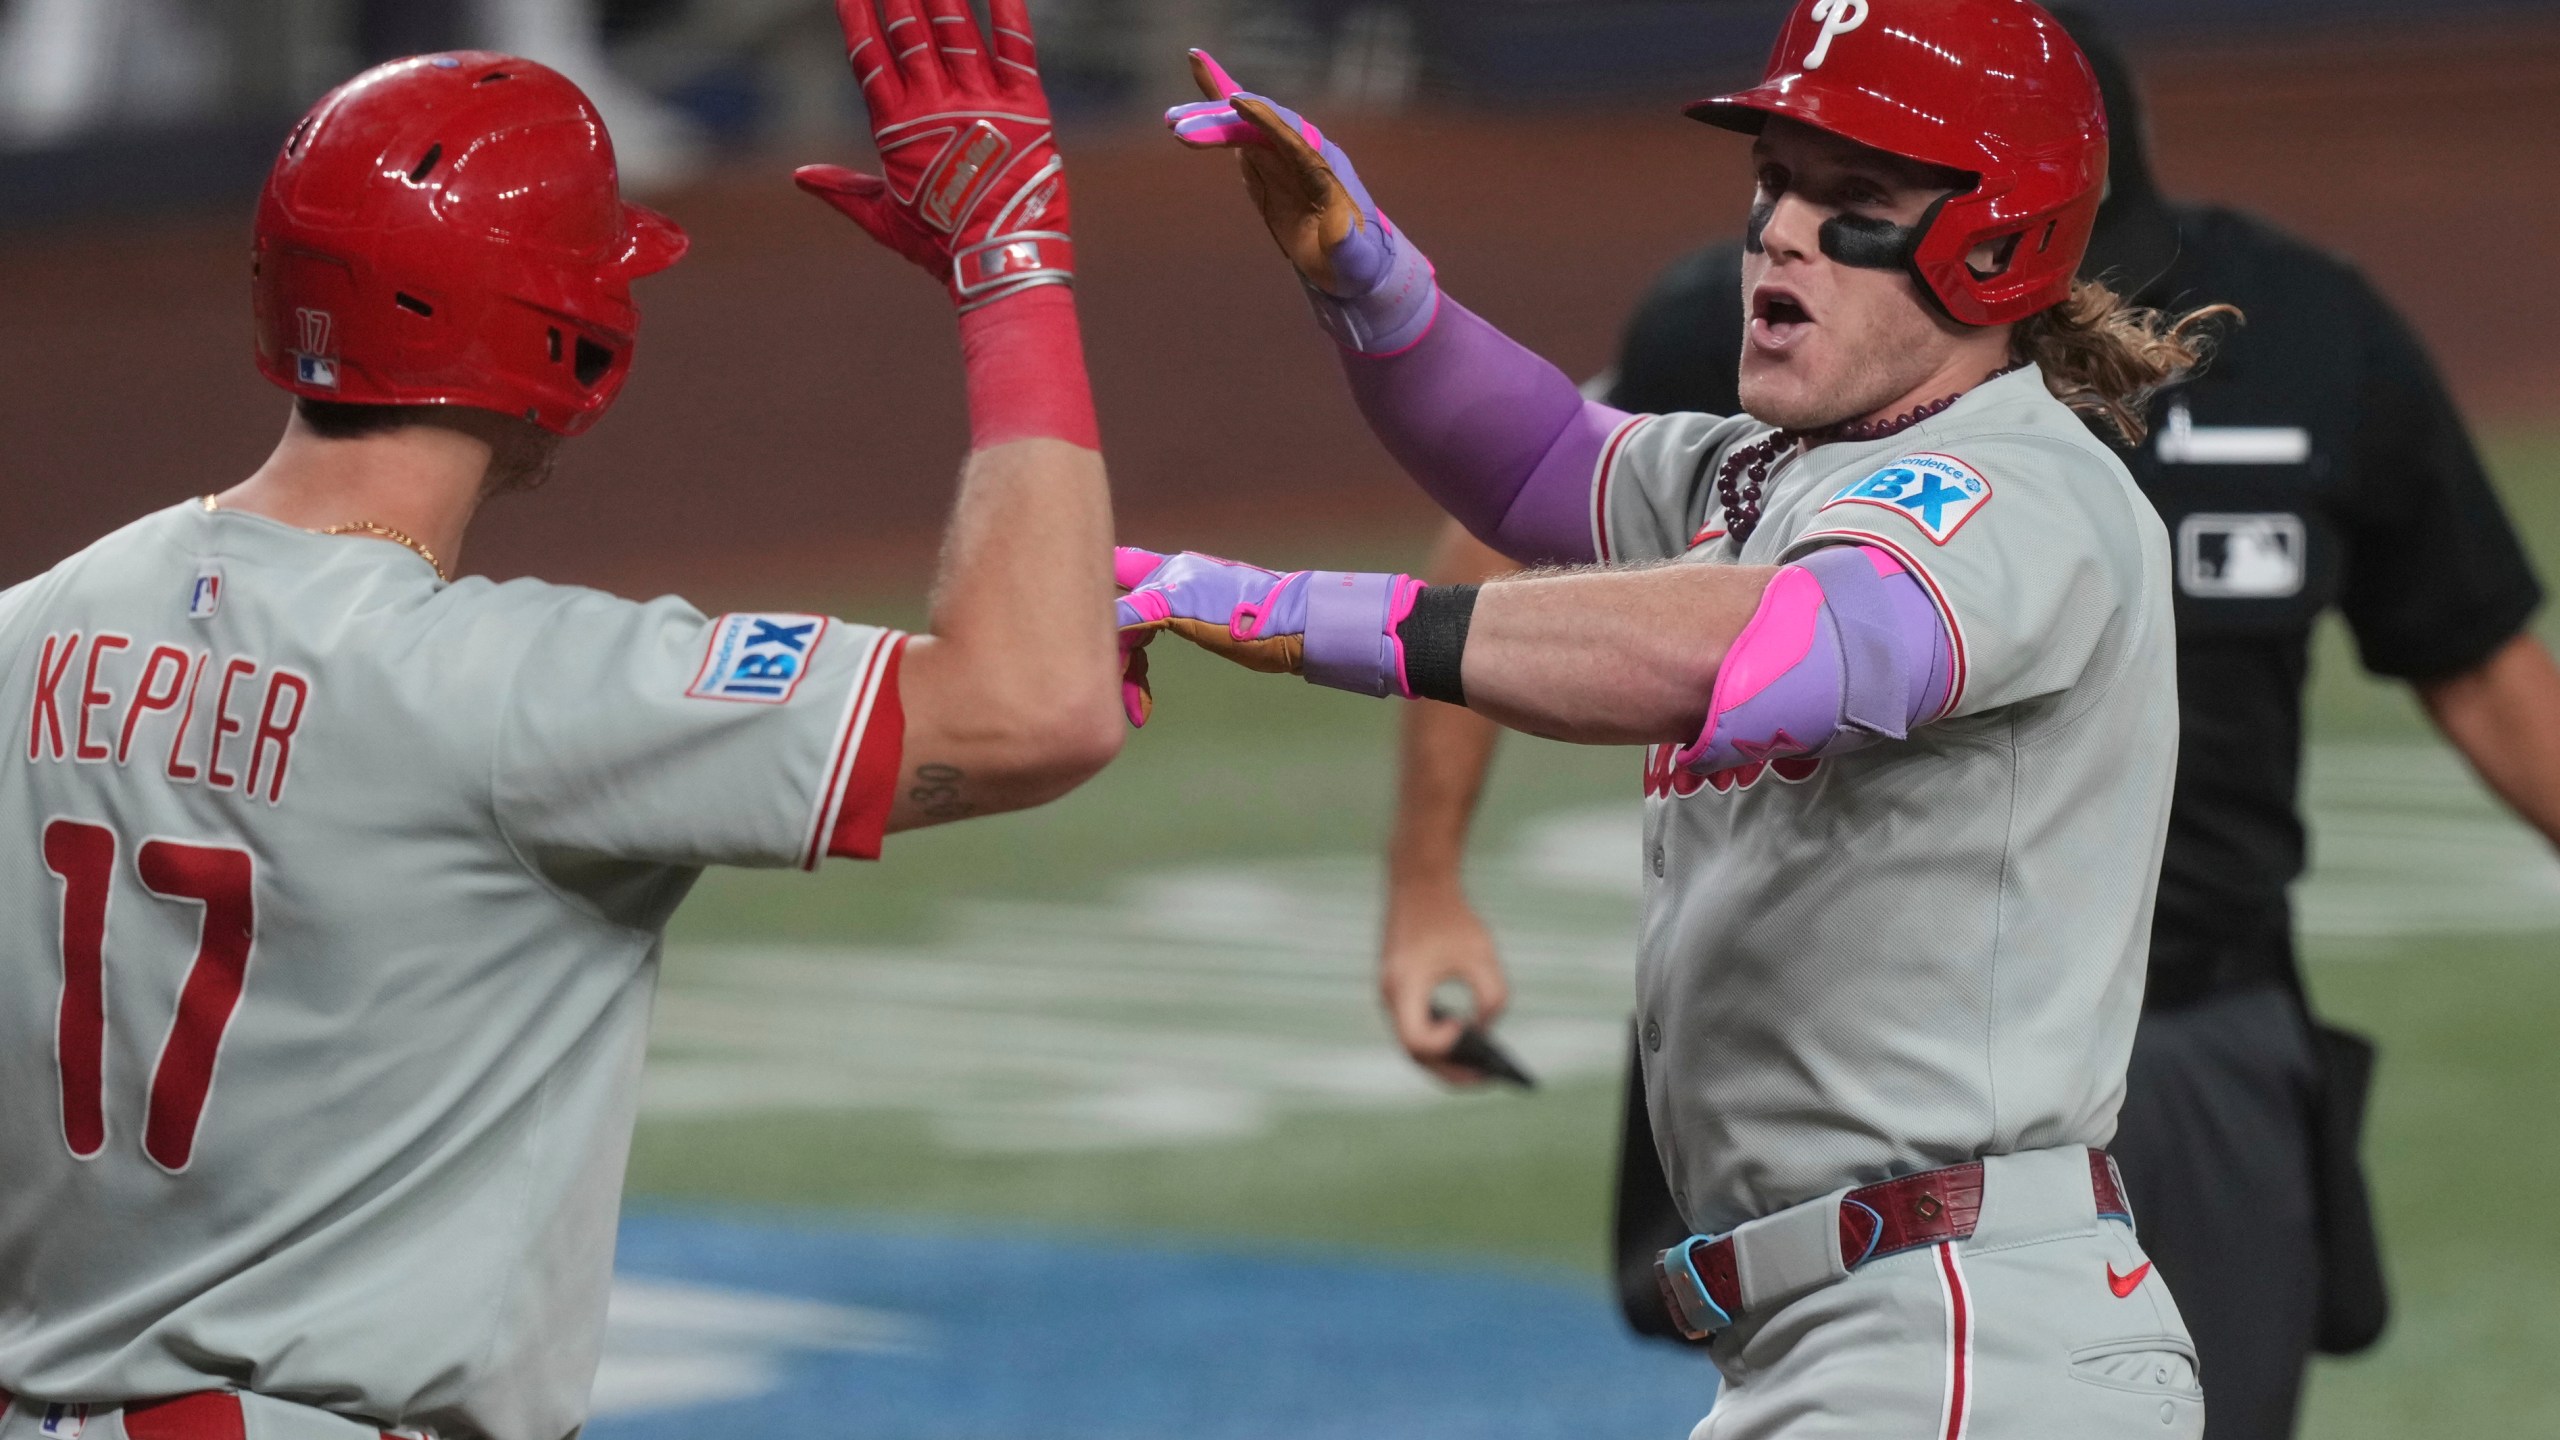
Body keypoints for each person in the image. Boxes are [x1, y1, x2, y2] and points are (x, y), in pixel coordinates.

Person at [1381, 6, 2560, 1437]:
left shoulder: (2311, 328)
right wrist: (1426, 884)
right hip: (1831, 1039)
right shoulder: (1756, 312)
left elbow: (2480, 662)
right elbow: (1523, 522)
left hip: (2194, 1029)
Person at [0, 2, 1120, 1437]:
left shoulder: (37, 627)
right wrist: (1008, 265)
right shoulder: (507, 692)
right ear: (571, 337)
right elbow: (1039, 706)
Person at [1121, 1, 2232, 1433]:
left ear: (1996, 239)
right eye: (1776, 179)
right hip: (1865, 1337)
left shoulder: (2013, 491)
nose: (1780, 230)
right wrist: (1368, 280)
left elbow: (1772, 648)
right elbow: (1538, 460)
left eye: (1854, 205)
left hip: (1961, 1347)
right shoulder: (1786, 475)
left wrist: (1319, 618)